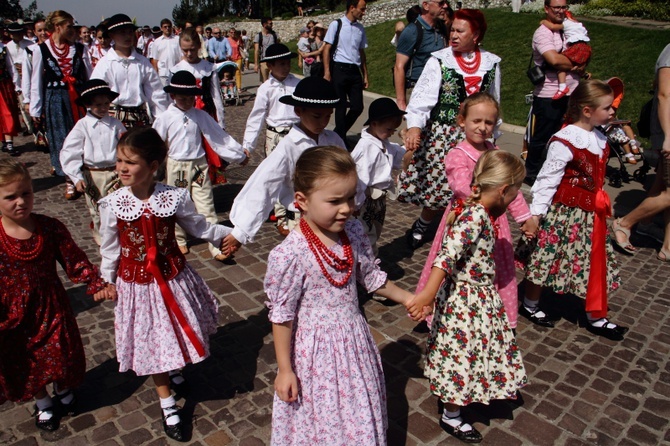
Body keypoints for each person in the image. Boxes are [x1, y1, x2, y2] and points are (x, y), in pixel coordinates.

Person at [265, 146, 414, 445]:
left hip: (354, 342)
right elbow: (282, 316)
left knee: (358, 410)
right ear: (302, 202)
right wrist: (285, 369)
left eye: (350, 197)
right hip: (313, 354)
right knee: (320, 418)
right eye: (335, 201)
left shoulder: (354, 232)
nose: (346, 208)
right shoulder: (290, 254)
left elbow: (370, 277)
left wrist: (409, 298)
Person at [98, 128, 231, 441]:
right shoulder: (113, 204)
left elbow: (197, 226)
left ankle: (173, 369)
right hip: (137, 287)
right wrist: (106, 279)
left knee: (170, 331)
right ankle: (167, 402)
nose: (122, 168)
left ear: (153, 165)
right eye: (119, 161)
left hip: (173, 278)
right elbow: (109, 248)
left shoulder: (171, 198)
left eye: (130, 162)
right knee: (152, 340)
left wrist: (228, 234)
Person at [406, 150, 528, 443]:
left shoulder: (478, 211)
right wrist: (427, 296)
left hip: (478, 297)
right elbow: (445, 257)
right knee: (461, 353)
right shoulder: (474, 216)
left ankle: (482, 387)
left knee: (478, 348)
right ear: (502, 190)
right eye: (514, 194)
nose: (514, 200)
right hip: (466, 301)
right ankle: (452, 414)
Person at [0, 159, 111, 432]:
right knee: (25, 361)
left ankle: (63, 390)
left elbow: (74, 259)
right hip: (13, 316)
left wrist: (94, 282)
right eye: (10, 197)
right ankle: (43, 402)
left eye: (26, 193)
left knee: (62, 352)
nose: (20, 202)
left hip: (52, 307)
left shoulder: (49, 227)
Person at [416, 92, 536, 331]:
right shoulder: (457, 154)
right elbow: (462, 187)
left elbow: (511, 188)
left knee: (497, 267)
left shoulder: (495, 150)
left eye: (488, 122)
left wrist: (525, 217)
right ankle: (438, 308)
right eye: (476, 121)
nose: (482, 127)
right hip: (466, 219)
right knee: (454, 264)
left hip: (496, 224)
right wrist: (487, 192)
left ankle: (496, 313)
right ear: (462, 121)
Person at [518, 79, 628, 341]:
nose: (613, 111)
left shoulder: (600, 136)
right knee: (546, 257)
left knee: (594, 261)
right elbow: (547, 180)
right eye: (607, 107)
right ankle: (530, 303)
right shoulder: (565, 141)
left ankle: (596, 316)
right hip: (564, 212)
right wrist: (534, 215)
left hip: (592, 215)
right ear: (587, 110)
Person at [400, 9, 500, 249]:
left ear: (475, 35)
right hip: (443, 135)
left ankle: (461, 230)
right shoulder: (440, 60)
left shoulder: (491, 63)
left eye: (459, 31)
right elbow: (423, 97)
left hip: (477, 137)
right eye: (452, 30)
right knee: (440, 187)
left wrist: (493, 136)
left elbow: (495, 102)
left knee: (473, 187)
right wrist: (415, 126)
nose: (453, 35)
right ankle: (424, 224)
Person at [222, 76, 345, 255]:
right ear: (298, 111)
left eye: (328, 116)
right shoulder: (289, 146)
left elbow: (349, 171)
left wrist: (353, 200)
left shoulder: (333, 140)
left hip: (332, 215)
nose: (323, 122)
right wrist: (241, 232)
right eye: (317, 116)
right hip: (303, 219)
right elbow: (265, 184)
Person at [153, 71, 248, 261]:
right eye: (182, 98)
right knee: (176, 204)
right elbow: (155, 141)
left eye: (190, 98)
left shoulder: (200, 115)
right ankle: (179, 239)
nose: (187, 101)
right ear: (173, 96)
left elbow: (217, 136)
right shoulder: (165, 117)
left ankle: (216, 243)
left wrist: (238, 154)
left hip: (198, 165)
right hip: (176, 166)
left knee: (206, 203)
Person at [612, 43, 670, 260]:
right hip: (668, 133)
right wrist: (668, 137)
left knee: (663, 187)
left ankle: (666, 245)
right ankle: (625, 223)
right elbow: (665, 95)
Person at [29, 10, 92, 200]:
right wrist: (35, 107)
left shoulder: (80, 49)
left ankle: (84, 173)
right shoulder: (41, 50)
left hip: (78, 98)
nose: (72, 30)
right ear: (58, 27)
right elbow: (36, 81)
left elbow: (89, 76)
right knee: (62, 138)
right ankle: (68, 178)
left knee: (82, 136)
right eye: (69, 26)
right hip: (55, 99)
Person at [524, 0, 583, 186]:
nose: (560, 11)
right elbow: (553, 60)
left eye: (563, 7)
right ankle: (531, 173)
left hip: (572, 92)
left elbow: (584, 52)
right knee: (542, 137)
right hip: (549, 94)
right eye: (556, 7)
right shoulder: (543, 33)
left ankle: (557, 171)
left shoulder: (568, 28)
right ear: (546, 9)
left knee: (566, 136)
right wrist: (575, 63)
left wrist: (578, 60)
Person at [60, 80, 126, 245]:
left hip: (114, 172)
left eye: (106, 104)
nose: (103, 108)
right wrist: (76, 177)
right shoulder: (82, 126)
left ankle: (119, 234)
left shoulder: (116, 124)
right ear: (88, 105)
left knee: (118, 205)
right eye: (98, 105)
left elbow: (125, 145)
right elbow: (70, 151)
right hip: (93, 173)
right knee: (96, 208)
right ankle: (101, 237)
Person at [352, 97, 410, 255]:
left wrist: (409, 144)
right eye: (389, 129)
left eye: (393, 130)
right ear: (374, 123)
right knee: (366, 235)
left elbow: (400, 154)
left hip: (379, 199)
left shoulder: (384, 143)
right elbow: (359, 179)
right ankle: (367, 266)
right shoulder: (366, 147)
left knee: (375, 232)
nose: (391, 133)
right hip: (366, 198)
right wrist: (356, 204)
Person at [91, 14, 170, 128]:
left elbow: (156, 93)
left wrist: (162, 123)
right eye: (122, 32)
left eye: (129, 32)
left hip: (140, 118)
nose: (127, 36)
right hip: (112, 121)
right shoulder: (105, 63)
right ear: (111, 35)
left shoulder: (142, 62)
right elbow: (94, 94)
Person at [323, 0, 369, 144]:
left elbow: (361, 52)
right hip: (339, 68)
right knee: (341, 107)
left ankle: (337, 134)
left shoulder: (360, 28)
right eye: (361, 9)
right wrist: (327, 72)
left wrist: (365, 74)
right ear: (352, 8)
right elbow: (326, 48)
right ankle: (341, 140)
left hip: (354, 70)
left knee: (357, 107)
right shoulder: (337, 24)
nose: (364, 12)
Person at [242, 43, 300, 158]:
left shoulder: (297, 84)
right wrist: (248, 145)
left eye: (288, 63)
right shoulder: (265, 88)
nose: (286, 67)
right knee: (276, 171)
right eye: (282, 64)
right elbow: (257, 117)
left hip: (296, 133)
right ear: (270, 65)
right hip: (274, 136)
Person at [394, 0, 450, 111]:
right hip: (417, 90)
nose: (446, 6)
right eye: (441, 3)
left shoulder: (441, 29)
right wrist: (401, 102)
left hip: (439, 89)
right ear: (426, 6)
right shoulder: (412, 31)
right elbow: (399, 67)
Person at [171, 27, 225, 129]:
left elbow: (216, 97)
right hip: (184, 116)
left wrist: (221, 123)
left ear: (199, 46)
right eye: (185, 50)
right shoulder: (176, 70)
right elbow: (172, 100)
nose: (189, 54)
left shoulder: (209, 68)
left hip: (206, 113)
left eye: (192, 49)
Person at [540, 10, 591, 100]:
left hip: (576, 46)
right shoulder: (579, 24)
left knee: (561, 66)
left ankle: (562, 87)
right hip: (586, 47)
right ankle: (584, 74)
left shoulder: (566, 23)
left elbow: (553, 26)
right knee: (578, 63)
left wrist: (544, 22)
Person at [20, 19, 49, 151]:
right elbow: (27, 77)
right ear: (35, 32)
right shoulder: (30, 51)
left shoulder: (55, 48)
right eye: (40, 30)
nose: (43, 33)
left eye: (45, 29)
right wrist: (27, 100)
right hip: (38, 90)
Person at [0, 37, 20, 157]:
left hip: (4, 84)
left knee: (7, 112)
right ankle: (3, 140)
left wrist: (16, 84)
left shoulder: (3, 48)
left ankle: (9, 142)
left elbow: (11, 66)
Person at [150, 19, 182, 86]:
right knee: (163, 94)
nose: (167, 28)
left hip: (176, 71)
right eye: (165, 27)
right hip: (163, 73)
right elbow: (155, 60)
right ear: (161, 28)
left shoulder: (178, 39)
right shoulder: (157, 42)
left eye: (169, 26)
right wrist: (155, 74)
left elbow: (182, 56)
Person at [254, 17, 279, 82]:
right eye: (270, 23)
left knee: (274, 81)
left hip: (273, 61)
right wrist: (256, 64)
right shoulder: (258, 36)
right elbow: (256, 50)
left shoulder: (274, 35)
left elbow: (278, 46)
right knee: (265, 82)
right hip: (264, 61)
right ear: (264, 24)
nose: (272, 25)